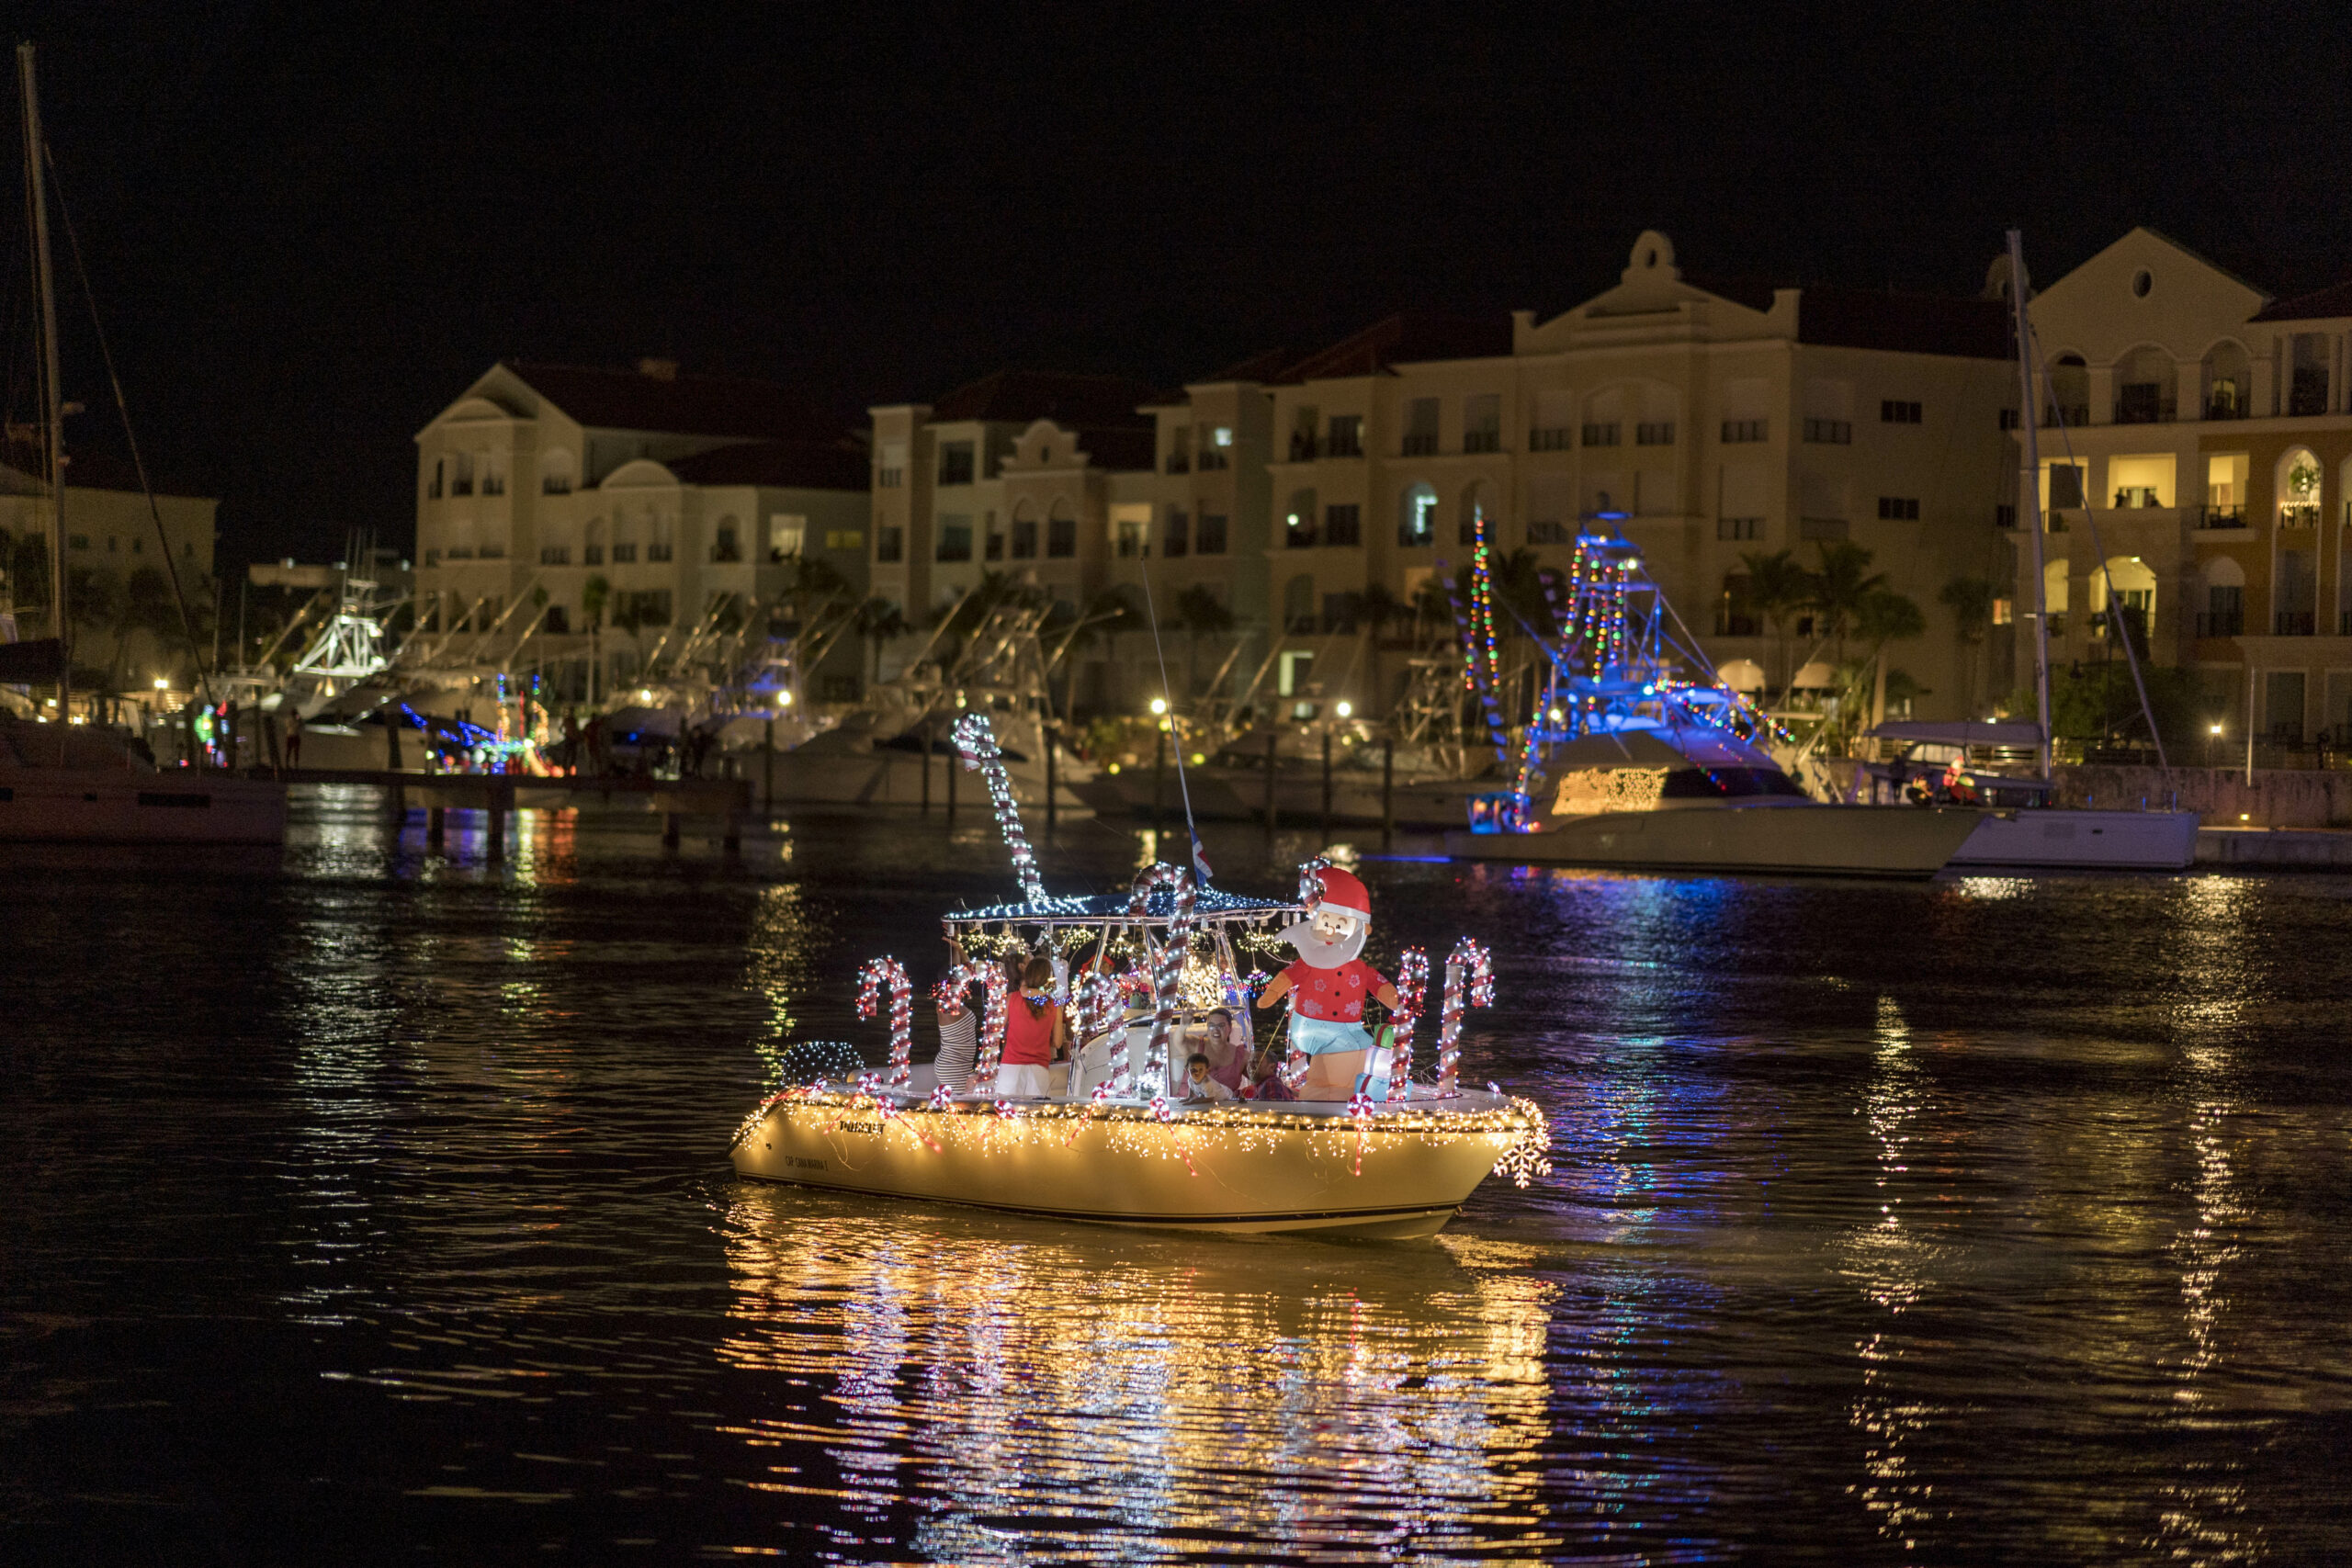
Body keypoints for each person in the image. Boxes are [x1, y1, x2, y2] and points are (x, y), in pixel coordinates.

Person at [1253, 865, 1400, 1099]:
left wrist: (1398, 1003)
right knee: (1354, 1050)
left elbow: (1381, 986)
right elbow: (1286, 977)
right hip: (1312, 1025)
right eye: (1327, 924)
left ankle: (1316, 1089)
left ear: (1363, 930)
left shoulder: (1360, 968)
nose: (1331, 932)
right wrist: (1271, 994)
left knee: (1355, 1051)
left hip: (1345, 1028)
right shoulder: (1311, 961)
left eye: (1340, 926)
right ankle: (1345, 1093)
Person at [997, 955, 1068, 1099]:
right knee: (1034, 1118)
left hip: (1010, 1067)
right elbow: (1058, 1043)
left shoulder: (1012, 998)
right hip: (1039, 1069)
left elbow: (997, 1029)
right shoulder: (1054, 1007)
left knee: (1005, 1114)